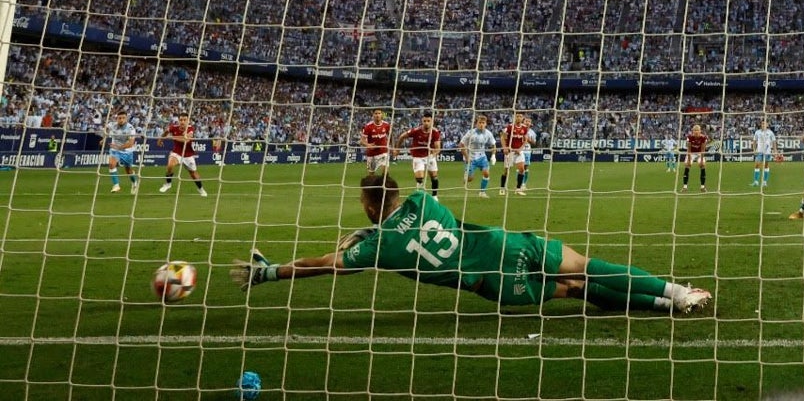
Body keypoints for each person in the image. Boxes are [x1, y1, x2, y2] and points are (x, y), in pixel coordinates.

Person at [231, 174, 711, 314]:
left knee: (578, 290)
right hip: (508, 246)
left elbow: (327, 263)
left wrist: (271, 271)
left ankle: (664, 305)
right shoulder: (424, 202)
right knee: (588, 266)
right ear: (396, 194)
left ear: (368, 205)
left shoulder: (376, 249)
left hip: (493, 284)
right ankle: (674, 293)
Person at [158, 110, 208, 197]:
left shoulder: (190, 129)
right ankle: (168, 184)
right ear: (178, 120)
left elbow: (186, 140)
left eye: (185, 120)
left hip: (188, 155)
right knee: (170, 165)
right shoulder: (173, 127)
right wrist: (160, 140)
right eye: (181, 120)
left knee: (193, 174)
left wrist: (173, 137)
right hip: (176, 152)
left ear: (188, 120)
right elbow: (166, 132)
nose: (182, 122)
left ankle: (200, 189)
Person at [395, 111, 442, 197]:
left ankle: (435, 196)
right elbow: (402, 136)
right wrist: (397, 149)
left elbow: (438, 147)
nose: (426, 123)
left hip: (430, 156)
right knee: (420, 178)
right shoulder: (416, 131)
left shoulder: (435, 132)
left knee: (434, 177)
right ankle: (419, 195)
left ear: (432, 121)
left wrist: (434, 154)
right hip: (418, 157)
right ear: (422, 121)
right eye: (424, 121)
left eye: (428, 121)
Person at [460, 114, 497, 197]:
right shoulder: (470, 133)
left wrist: (493, 155)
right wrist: (466, 157)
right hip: (471, 158)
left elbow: (493, 145)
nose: (481, 124)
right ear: (476, 123)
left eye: (483, 123)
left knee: (486, 173)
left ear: (486, 124)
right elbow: (461, 145)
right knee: (469, 179)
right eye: (480, 122)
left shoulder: (488, 133)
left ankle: (482, 192)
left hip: (482, 157)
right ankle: (466, 176)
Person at [105, 109, 140, 193]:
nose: (121, 120)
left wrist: (119, 147)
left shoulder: (131, 129)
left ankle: (134, 182)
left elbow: (131, 144)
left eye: (123, 118)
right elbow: (105, 128)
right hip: (115, 150)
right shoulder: (112, 125)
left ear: (126, 118)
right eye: (119, 118)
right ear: (117, 118)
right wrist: (104, 138)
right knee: (111, 164)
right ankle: (116, 185)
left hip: (127, 152)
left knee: (128, 171)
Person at [499, 112, 532, 196]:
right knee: (506, 171)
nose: (518, 118)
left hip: (519, 152)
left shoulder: (524, 128)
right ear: (514, 117)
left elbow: (525, 140)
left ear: (522, 118)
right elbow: (502, 137)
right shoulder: (509, 127)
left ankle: (518, 189)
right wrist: (505, 147)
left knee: (522, 169)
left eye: (520, 116)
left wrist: (520, 149)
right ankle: (502, 188)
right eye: (517, 116)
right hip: (510, 152)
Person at [359, 109, 393, 176]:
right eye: (376, 113)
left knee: (385, 174)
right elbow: (362, 141)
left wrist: (392, 146)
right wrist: (368, 145)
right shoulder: (368, 126)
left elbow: (391, 136)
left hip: (383, 152)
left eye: (379, 113)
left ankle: (383, 185)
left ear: (382, 115)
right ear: (373, 115)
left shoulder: (386, 125)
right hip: (372, 153)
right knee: (371, 175)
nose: (377, 115)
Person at [751, 119, 780, 188]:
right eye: (762, 123)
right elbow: (754, 141)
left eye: (765, 124)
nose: (764, 125)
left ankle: (764, 182)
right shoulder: (757, 132)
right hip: (759, 151)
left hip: (767, 152)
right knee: (757, 165)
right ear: (761, 125)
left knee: (766, 166)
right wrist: (754, 149)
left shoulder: (770, 132)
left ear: (767, 125)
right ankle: (756, 181)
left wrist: (775, 151)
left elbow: (774, 142)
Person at [681, 123, 709, 192]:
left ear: (700, 131)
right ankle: (685, 187)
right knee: (687, 165)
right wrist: (689, 159)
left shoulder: (703, 138)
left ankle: (702, 187)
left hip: (700, 153)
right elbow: (689, 149)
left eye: (697, 130)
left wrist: (702, 160)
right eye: (695, 131)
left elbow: (703, 150)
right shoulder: (689, 137)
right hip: (691, 153)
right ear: (693, 131)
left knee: (702, 165)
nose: (696, 132)